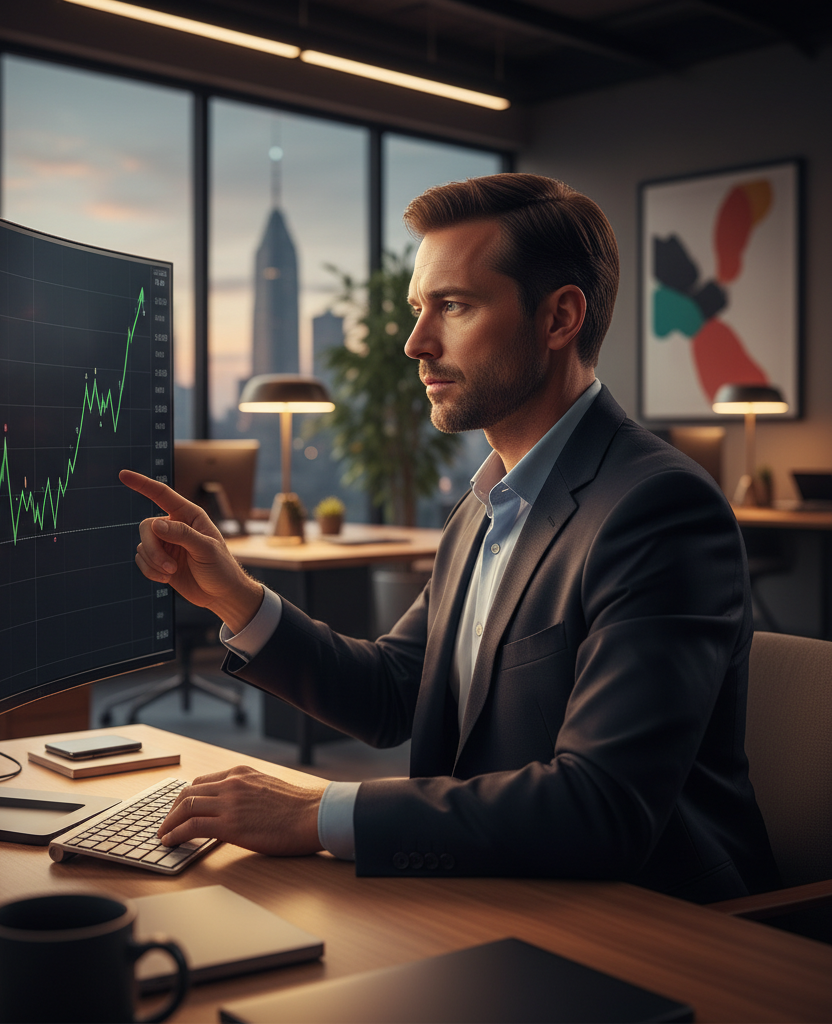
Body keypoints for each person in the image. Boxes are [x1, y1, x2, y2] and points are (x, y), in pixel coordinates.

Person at [121, 173, 778, 903]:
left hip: (657, 923)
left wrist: (318, 813)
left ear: (559, 319)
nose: (413, 342)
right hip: (493, 887)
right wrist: (237, 598)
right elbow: (392, 693)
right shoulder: (485, 504)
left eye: (453, 307)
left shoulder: (659, 508)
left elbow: (604, 807)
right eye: (416, 309)